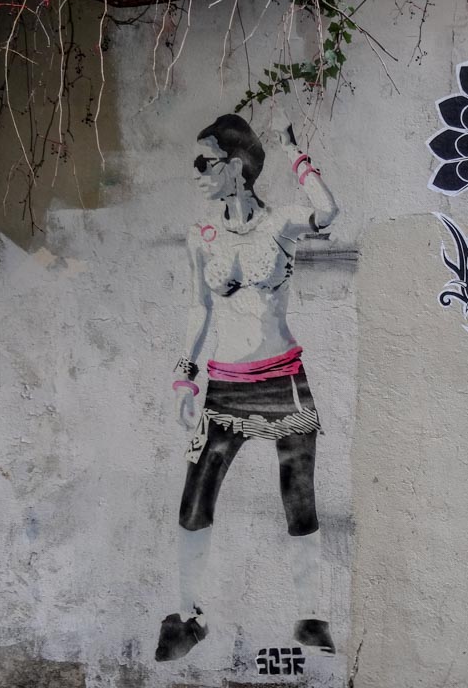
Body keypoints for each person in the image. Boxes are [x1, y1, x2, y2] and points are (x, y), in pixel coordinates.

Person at [155, 113, 339, 662]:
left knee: (298, 497)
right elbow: (199, 309)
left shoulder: (281, 222)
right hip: (224, 387)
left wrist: (292, 150)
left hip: (283, 380)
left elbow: (327, 211)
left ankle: (310, 617)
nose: (196, 173)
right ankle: (189, 616)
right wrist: (184, 378)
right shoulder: (202, 235)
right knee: (196, 496)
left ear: (235, 167)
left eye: (204, 162)